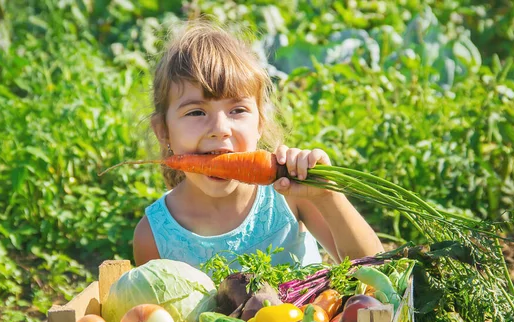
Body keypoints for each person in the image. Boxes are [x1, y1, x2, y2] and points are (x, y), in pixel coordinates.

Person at [133, 21, 384, 269]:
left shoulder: (290, 193)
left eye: (238, 110)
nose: (221, 129)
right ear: (163, 131)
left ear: (260, 123)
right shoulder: (154, 236)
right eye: (196, 112)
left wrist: (327, 196)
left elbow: (375, 269)